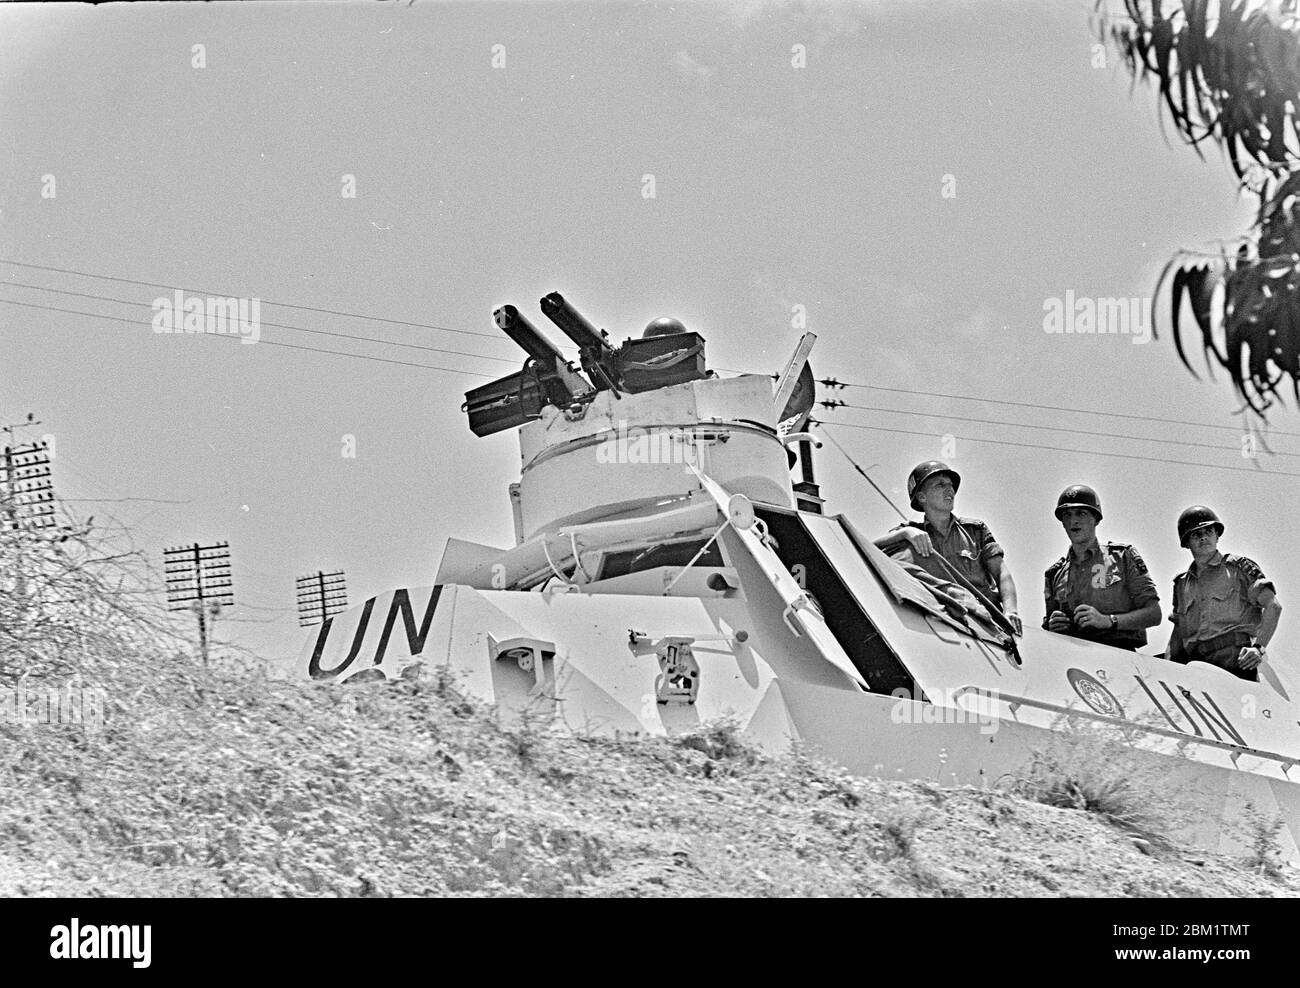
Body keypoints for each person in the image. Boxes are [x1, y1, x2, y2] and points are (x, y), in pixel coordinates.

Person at [874, 460, 1022, 634]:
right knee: (899, 557)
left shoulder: (975, 530)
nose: (950, 490)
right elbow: (871, 550)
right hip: (943, 620)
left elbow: (1001, 572)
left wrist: (1011, 610)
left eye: (951, 485)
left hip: (986, 623)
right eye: (940, 485)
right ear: (922, 497)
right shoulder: (912, 533)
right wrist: (904, 533)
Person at [1166, 505, 1282, 682]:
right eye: (1196, 534)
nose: (1204, 537)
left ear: (1217, 535)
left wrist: (1259, 648)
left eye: (1209, 531)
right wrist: (1168, 670)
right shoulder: (1181, 584)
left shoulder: (1238, 568)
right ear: (1186, 542)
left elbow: (1273, 605)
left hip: (1235, 660)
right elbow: (1178, 633)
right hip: (1195, 667)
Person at [1042, 484, 1160, 650]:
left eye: (1081, 513)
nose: (1073, 520)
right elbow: (1050, 627)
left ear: (1096, 519)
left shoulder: (1122, 557)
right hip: (1073, 657)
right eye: (1067, 515)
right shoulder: (1055, 574)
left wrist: (1108, 620)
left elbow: (1154, 614)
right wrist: (1053, 625)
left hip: (1118, 653)